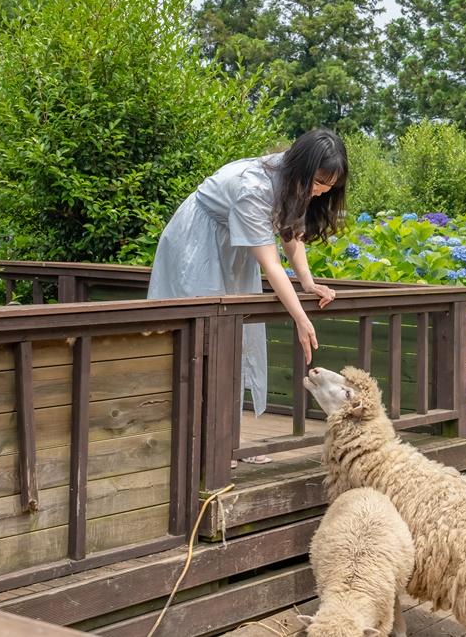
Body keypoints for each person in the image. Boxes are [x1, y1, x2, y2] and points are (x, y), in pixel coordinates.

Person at [147, 129, 347, 465]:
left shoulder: (292, 179)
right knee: (205, 341)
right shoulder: (253, 187)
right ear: (302, 167)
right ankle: (200, 447)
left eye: (329, 186)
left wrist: (308, 283)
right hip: (196, 243)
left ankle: (229, 442)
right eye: (319, 182)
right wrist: (300, 318)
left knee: (238, 340)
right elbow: (271, 264)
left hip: (233, 248)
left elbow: (290, 234)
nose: (322, 191)